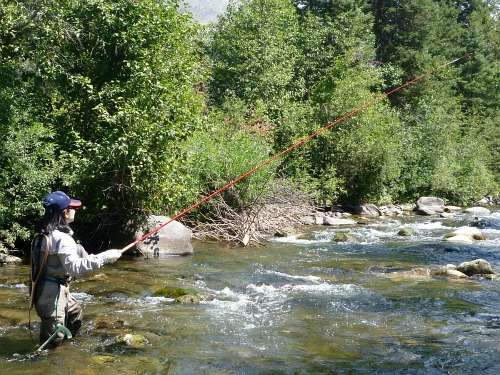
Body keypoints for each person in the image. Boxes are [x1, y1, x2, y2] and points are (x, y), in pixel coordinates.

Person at [30, 191, 123, 348]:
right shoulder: (62, 238)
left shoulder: (42, 233)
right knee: (53, 339)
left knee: (75, 313)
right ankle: (46, 363)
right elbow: (74, 268)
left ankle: (69, 348)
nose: (75, 210)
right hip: (52, 294)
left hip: (44, 288)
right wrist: (105, 257)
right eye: (72, 207)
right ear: (65, 212)